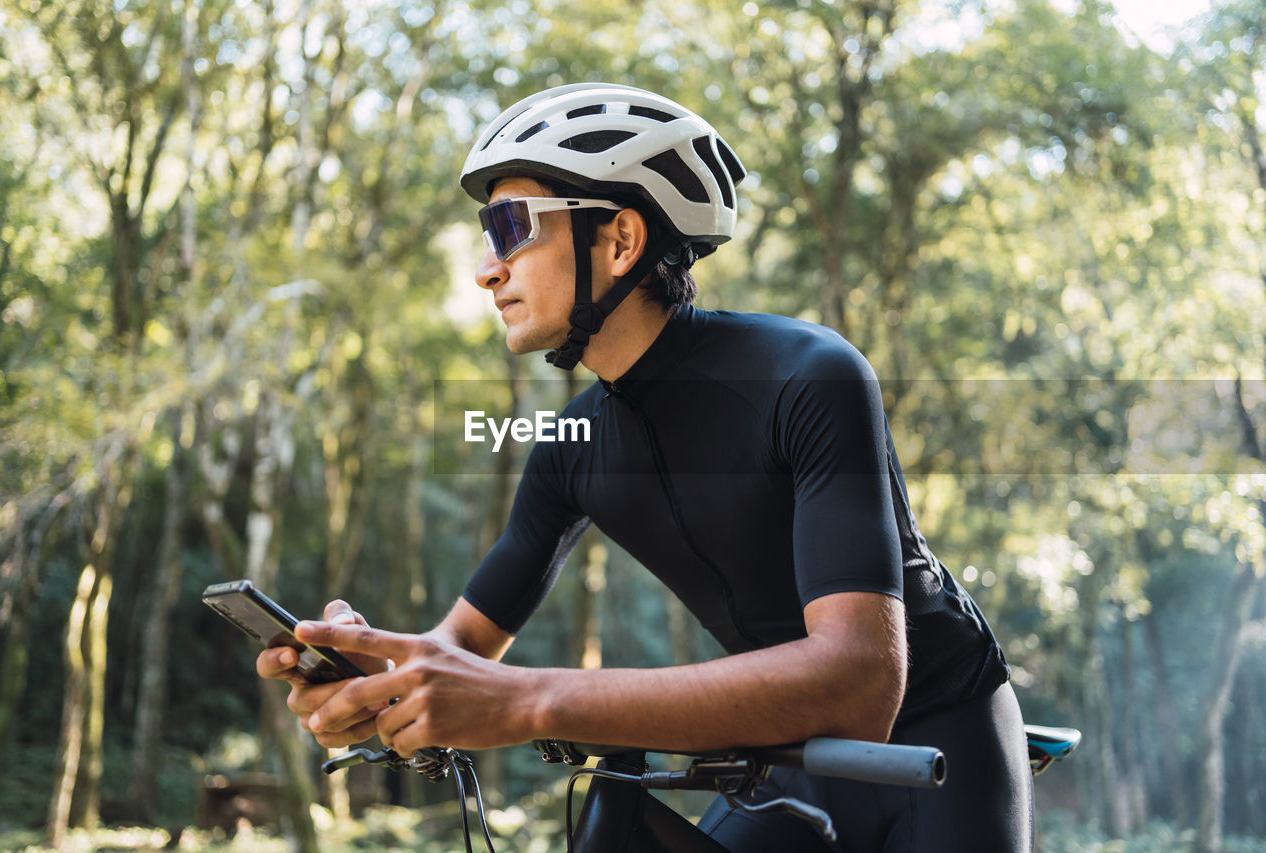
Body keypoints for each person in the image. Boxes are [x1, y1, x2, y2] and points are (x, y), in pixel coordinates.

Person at [257, 83, 1033, 851]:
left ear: (622, 241)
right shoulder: (571, 448)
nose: (487, 270)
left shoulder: (809, 376)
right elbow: (459, 649)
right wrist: (374, 671)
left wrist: (532, 699)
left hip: (941, 739)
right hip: (786, 751)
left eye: (510, 226)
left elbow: (859, 684)